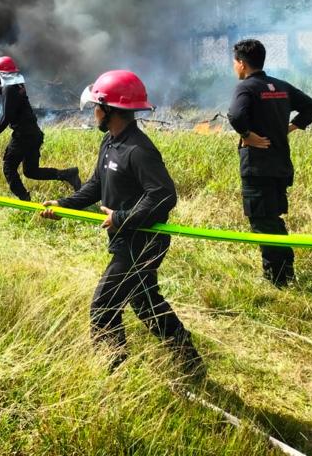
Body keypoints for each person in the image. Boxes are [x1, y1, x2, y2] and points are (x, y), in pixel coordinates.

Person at [42, 70, 203, 376]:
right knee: (144, 301)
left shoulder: (138, 150)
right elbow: (96, 185)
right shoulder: (110, 141)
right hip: (125, 237)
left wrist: (122, 217)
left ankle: (113, 370)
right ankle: (189, 360)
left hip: (141, 241)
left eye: (97, 107)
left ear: (111, 110)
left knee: (103, 307)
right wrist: (63, 205)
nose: (94, 112)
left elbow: (164, 195)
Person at [227, 39, 312, 287]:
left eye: (234, 63)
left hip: (258, 167)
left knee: (262, 221)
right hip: (279, 165)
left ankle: (277, 278)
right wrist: (287, 128)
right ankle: (285, 272)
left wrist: (247, 136)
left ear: (241, 64)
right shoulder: (279, 85)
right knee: (272, 219)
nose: (234, 68)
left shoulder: (246, 87)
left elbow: (235, 115)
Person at [0, 56, 81, 200]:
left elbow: (6, 118)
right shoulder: (16, 85)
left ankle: (24, 200)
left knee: (8, 168)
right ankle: (68, 174)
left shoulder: (9, 89)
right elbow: (0, 89)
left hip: (23, 136)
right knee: (31, 172)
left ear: (1, 73)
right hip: (34, 134)